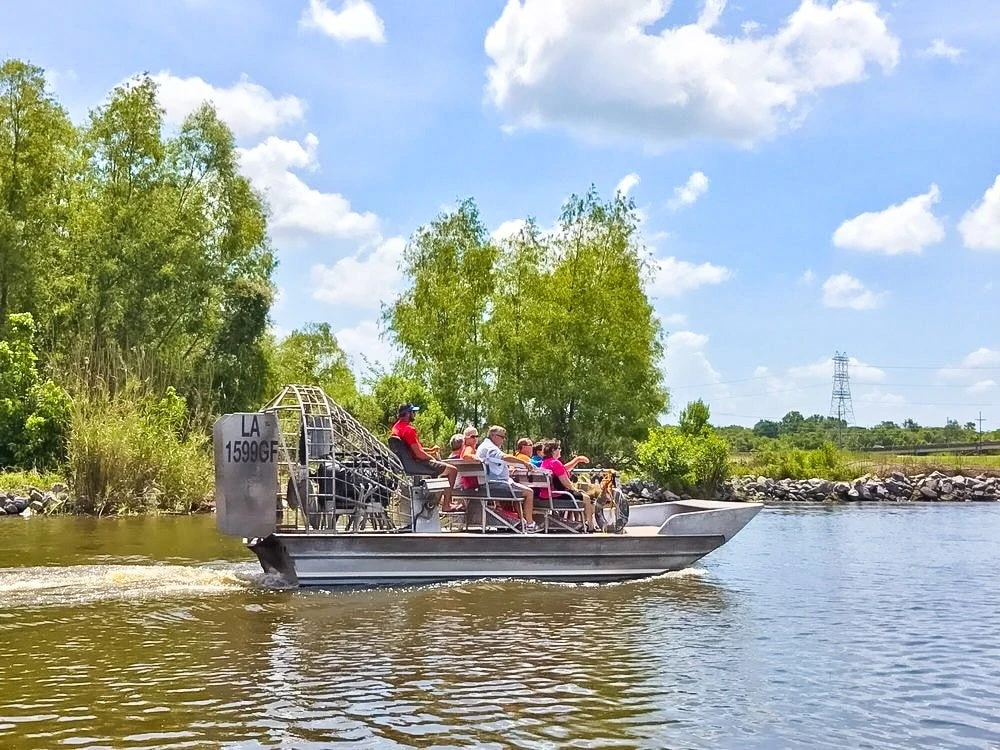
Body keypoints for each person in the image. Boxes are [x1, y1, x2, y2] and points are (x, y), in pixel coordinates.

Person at [390, 404, 457, 510]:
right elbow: (419, 454)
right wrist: (432, 458)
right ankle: (446, 505)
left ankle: (435, 502)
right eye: (412, 412)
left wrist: (430, 450)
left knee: (443, 470)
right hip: (415, 465)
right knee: (452, 470)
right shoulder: (409, 430)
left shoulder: (396, 428)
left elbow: (410, 450)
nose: (414, 414)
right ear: (407, 413)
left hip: (406, 464)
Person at [476, 425, 538, 532]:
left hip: (489, 483)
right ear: (494, 436)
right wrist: (524, 463)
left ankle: (518, 521)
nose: (503, 440)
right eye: (502, 437)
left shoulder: (484, 446)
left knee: (516, 486)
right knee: (529, 492)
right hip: (494, 485)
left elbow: (495, 466)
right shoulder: (490, 448)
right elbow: (504, 457)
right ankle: (530, 524)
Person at [539, 440, 597, 532]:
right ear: (553, 451)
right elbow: (567, 483)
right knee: (586, 498)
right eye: (559, 448)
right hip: (555, 495)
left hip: (545, 494)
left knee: (580, 495)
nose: (560, 450)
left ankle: (582, 523)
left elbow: (562, 469)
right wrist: (576, 491)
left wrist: (577, 460)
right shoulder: (555, 463)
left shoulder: (545, 462)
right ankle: (590, 526)